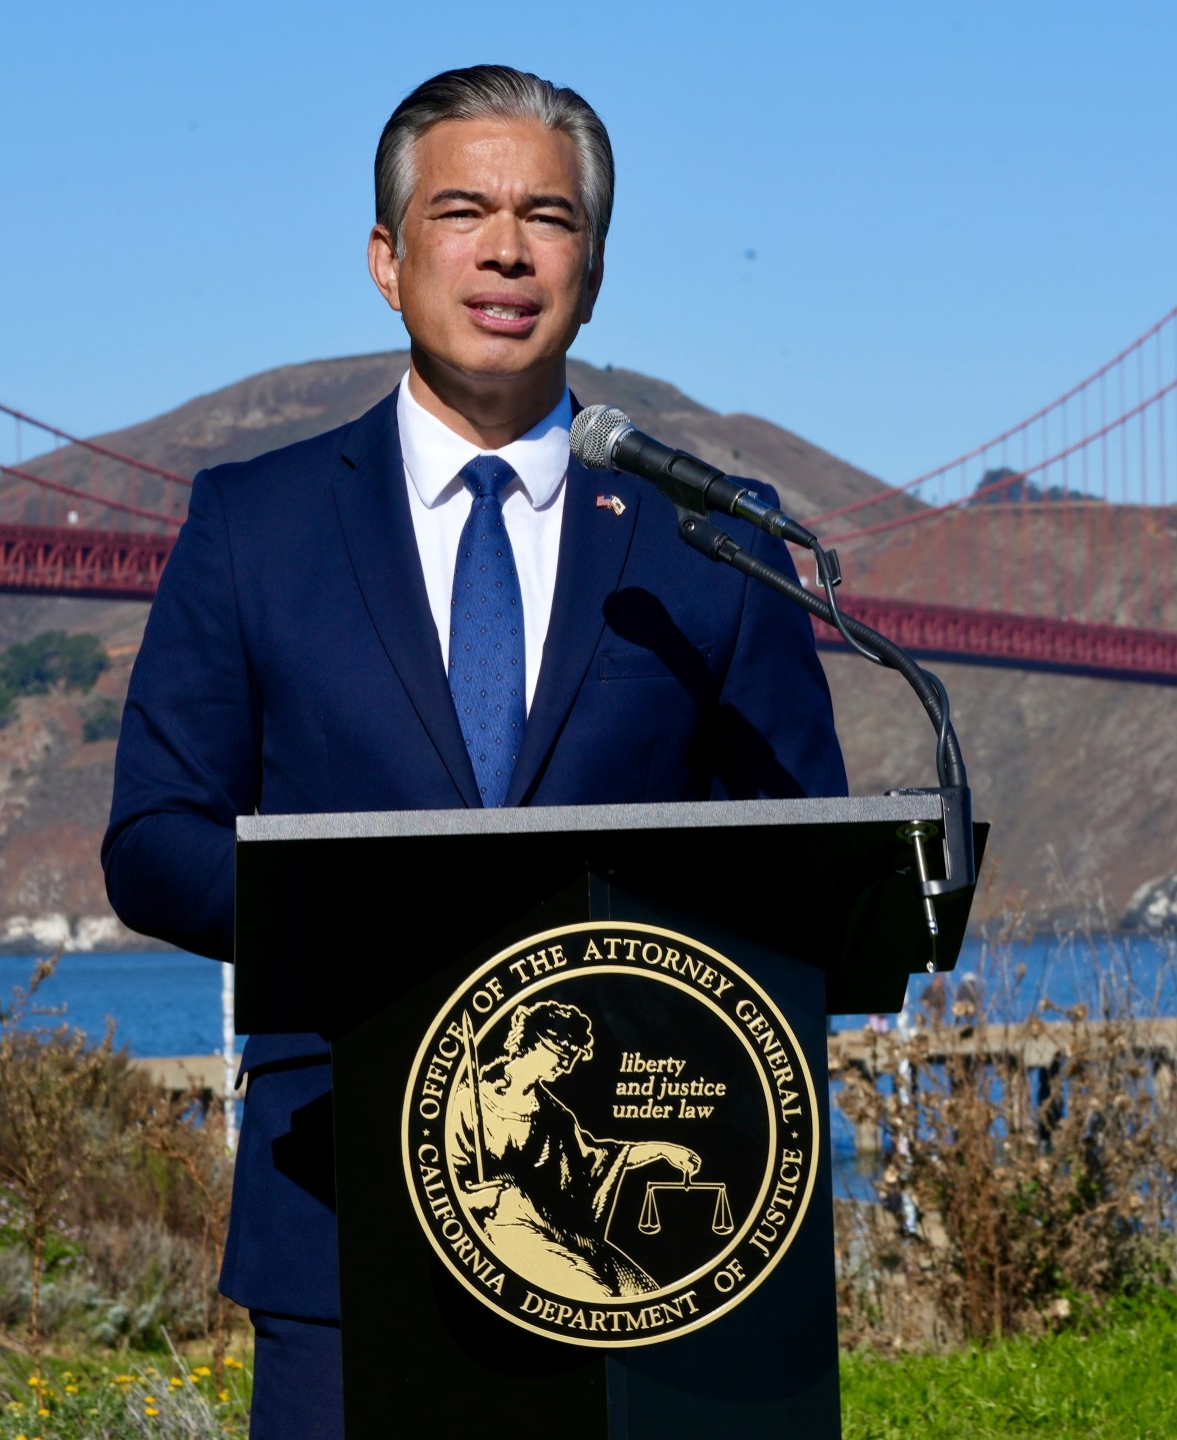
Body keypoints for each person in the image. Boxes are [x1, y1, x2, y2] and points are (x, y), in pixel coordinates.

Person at [101, 65, 844, 1438]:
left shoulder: (714, 539)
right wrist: (366, 939)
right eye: (463, 211)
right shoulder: (252, 525)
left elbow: (803, 839)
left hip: (661, 1238)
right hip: (339, 1189)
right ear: (388, 260)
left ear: (595, 265)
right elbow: (154, 840)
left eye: (549, 217)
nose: (507, 248)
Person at [445, 1000, 700, 1299]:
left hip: (560, 1226)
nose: (567, 1064)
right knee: (597, 1297)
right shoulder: (469, 1102)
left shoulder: (554, 1114)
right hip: (505, 1226)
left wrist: (659, 1150)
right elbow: (445, 1188)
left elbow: (598, 1160)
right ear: (535, 1041)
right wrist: (490, 1196)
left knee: (645, 1295)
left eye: (573, 1056)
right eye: (562, 1051)